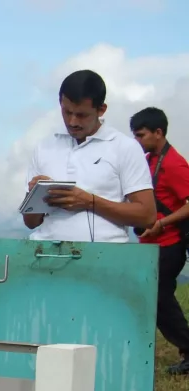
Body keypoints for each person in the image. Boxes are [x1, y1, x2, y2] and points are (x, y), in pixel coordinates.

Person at [23, 69, 155, 243]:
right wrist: (36, 195)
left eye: (81, 115)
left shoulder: (124, 147)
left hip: (104, 256)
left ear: (101, 110)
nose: (72, 122)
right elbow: (30, 222)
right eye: (67, 112)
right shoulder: (44, 147)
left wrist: (89, 202)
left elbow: (147, 216)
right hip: (46, 253)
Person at [130, 107, 189, 375]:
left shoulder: (175, 164)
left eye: (141, 135)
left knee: (159, 299)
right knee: (154, 298)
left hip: (169, 244)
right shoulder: (150, 159)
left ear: (158, 132)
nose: (137, 141)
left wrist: (161, 224)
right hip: (151, 246)